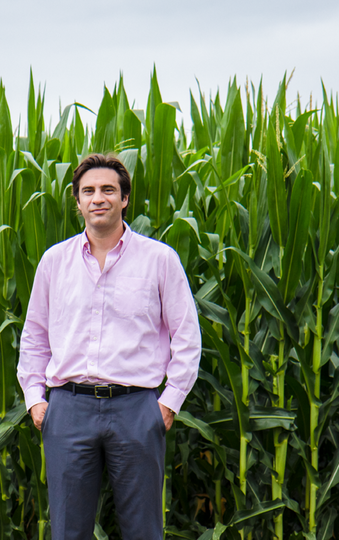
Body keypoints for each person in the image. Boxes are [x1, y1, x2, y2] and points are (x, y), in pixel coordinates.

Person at [17, 153, 202, 540]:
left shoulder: (159, 260)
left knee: (143, 530)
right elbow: (34, 336)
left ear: (124, 199)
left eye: (107, 190)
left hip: (137, 408)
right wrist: (35, 399)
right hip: (68, 408)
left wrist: (168, 404)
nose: (97, 197)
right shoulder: (54, 262)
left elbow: (187, 338)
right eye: (88, 191)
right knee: (68, 531)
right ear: (77, 200)